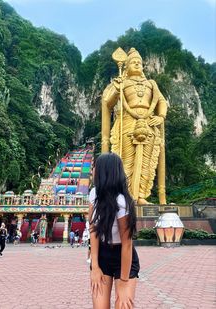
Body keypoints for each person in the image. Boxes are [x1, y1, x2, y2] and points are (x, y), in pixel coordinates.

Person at [101, 47, 168, 205]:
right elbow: (107, 103)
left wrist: (161, 117)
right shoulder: (122, 83)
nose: (137, 64)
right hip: (128, 123)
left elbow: (162, 101)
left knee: (147, 161)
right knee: (126, 161)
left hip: (148, 123)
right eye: (133, 62)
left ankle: (141, 196)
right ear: (126, 66)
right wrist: (117, 91)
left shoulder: (151, 84)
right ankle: (126, 195)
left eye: (139, 62)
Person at [89, 153, 139, 309]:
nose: (93, 169)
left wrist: (123, 284)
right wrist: (95, 267)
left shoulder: (121, 202)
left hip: (123, 258)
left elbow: (127, 245)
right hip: (102, 255)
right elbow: (93, 230)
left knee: (123, 304)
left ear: (105, 171)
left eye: (95, 166)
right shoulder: (94, 194)